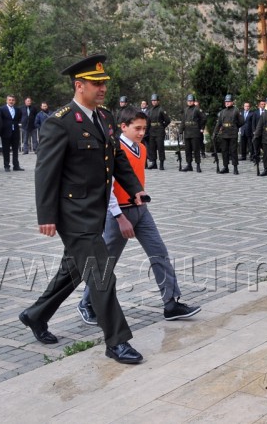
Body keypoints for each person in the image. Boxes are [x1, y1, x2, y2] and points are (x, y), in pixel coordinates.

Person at [19, 54, 147, 365]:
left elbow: (116, 158)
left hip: (96, 209)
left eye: (104, 83)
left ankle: (35, 315)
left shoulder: (103, 118)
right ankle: (117, 342)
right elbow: (45, 172)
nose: (103, 88)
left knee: (74, 270)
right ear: (79, 86)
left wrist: (135, 188)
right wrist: (46, 216)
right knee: (102, 274)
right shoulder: (59, 122)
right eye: (96, 83)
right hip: (72, 214)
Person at [78, 107, 201, 324]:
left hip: (141, 210)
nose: (142, 132)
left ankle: (171, 303)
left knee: (159, 253)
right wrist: (119, 217)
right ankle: (87, 302)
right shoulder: (113, 150)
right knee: (106, 262)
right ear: (123, 127)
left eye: (144, 128)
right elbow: (108, 187)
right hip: (118, 214)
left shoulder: (142, 148)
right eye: (137, 128)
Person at [213, 94, 244, 174]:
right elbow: (219, 123)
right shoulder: (222, 112)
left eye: (229, 101)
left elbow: (242, 121)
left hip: (233, 133)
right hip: (224, 133)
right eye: (226, 101)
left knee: (233, 151)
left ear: (232, 102)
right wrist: (215, 133)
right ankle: (225, 167)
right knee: (224, 151)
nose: (227, 103)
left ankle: (235, 167)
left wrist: (235, 127)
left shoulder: (236, 110)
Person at [0, 94, 23, 171]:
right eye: (9, 100)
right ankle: (6, 166)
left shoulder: (18, 109)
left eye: (12, 100)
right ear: (6, 100)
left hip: (15, 132)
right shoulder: (1, 109)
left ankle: (16, 166)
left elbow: (19, 118)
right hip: (5, 132)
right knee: (6, 150)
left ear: (14, 101)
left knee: (15, 150)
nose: (11, 101)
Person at [179, 94, 203, 172]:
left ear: (193, 101)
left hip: (195, 131)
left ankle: (198, 165)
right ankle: (189, 165)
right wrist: (180, 130)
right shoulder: (185, 110)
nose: (189, 102)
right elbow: (183, 121)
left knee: (196, 149)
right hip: (187, 131)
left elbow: (203, 118)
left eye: (191, 101)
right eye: (188, 101)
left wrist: (201, 127)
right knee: (187, 149)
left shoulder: (197, 109)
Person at [147, 94, 170, 170]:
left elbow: (167, 120)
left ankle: (161, 163)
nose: (153, 102)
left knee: (160, 147)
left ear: (158, 101)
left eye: (155, 100)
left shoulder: (161, 109)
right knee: (152, 148)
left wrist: (162, 126)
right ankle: (154, 163)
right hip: (152, 131)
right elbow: (148, 122)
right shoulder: (150, 111)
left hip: (159, 131)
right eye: (152, 101)